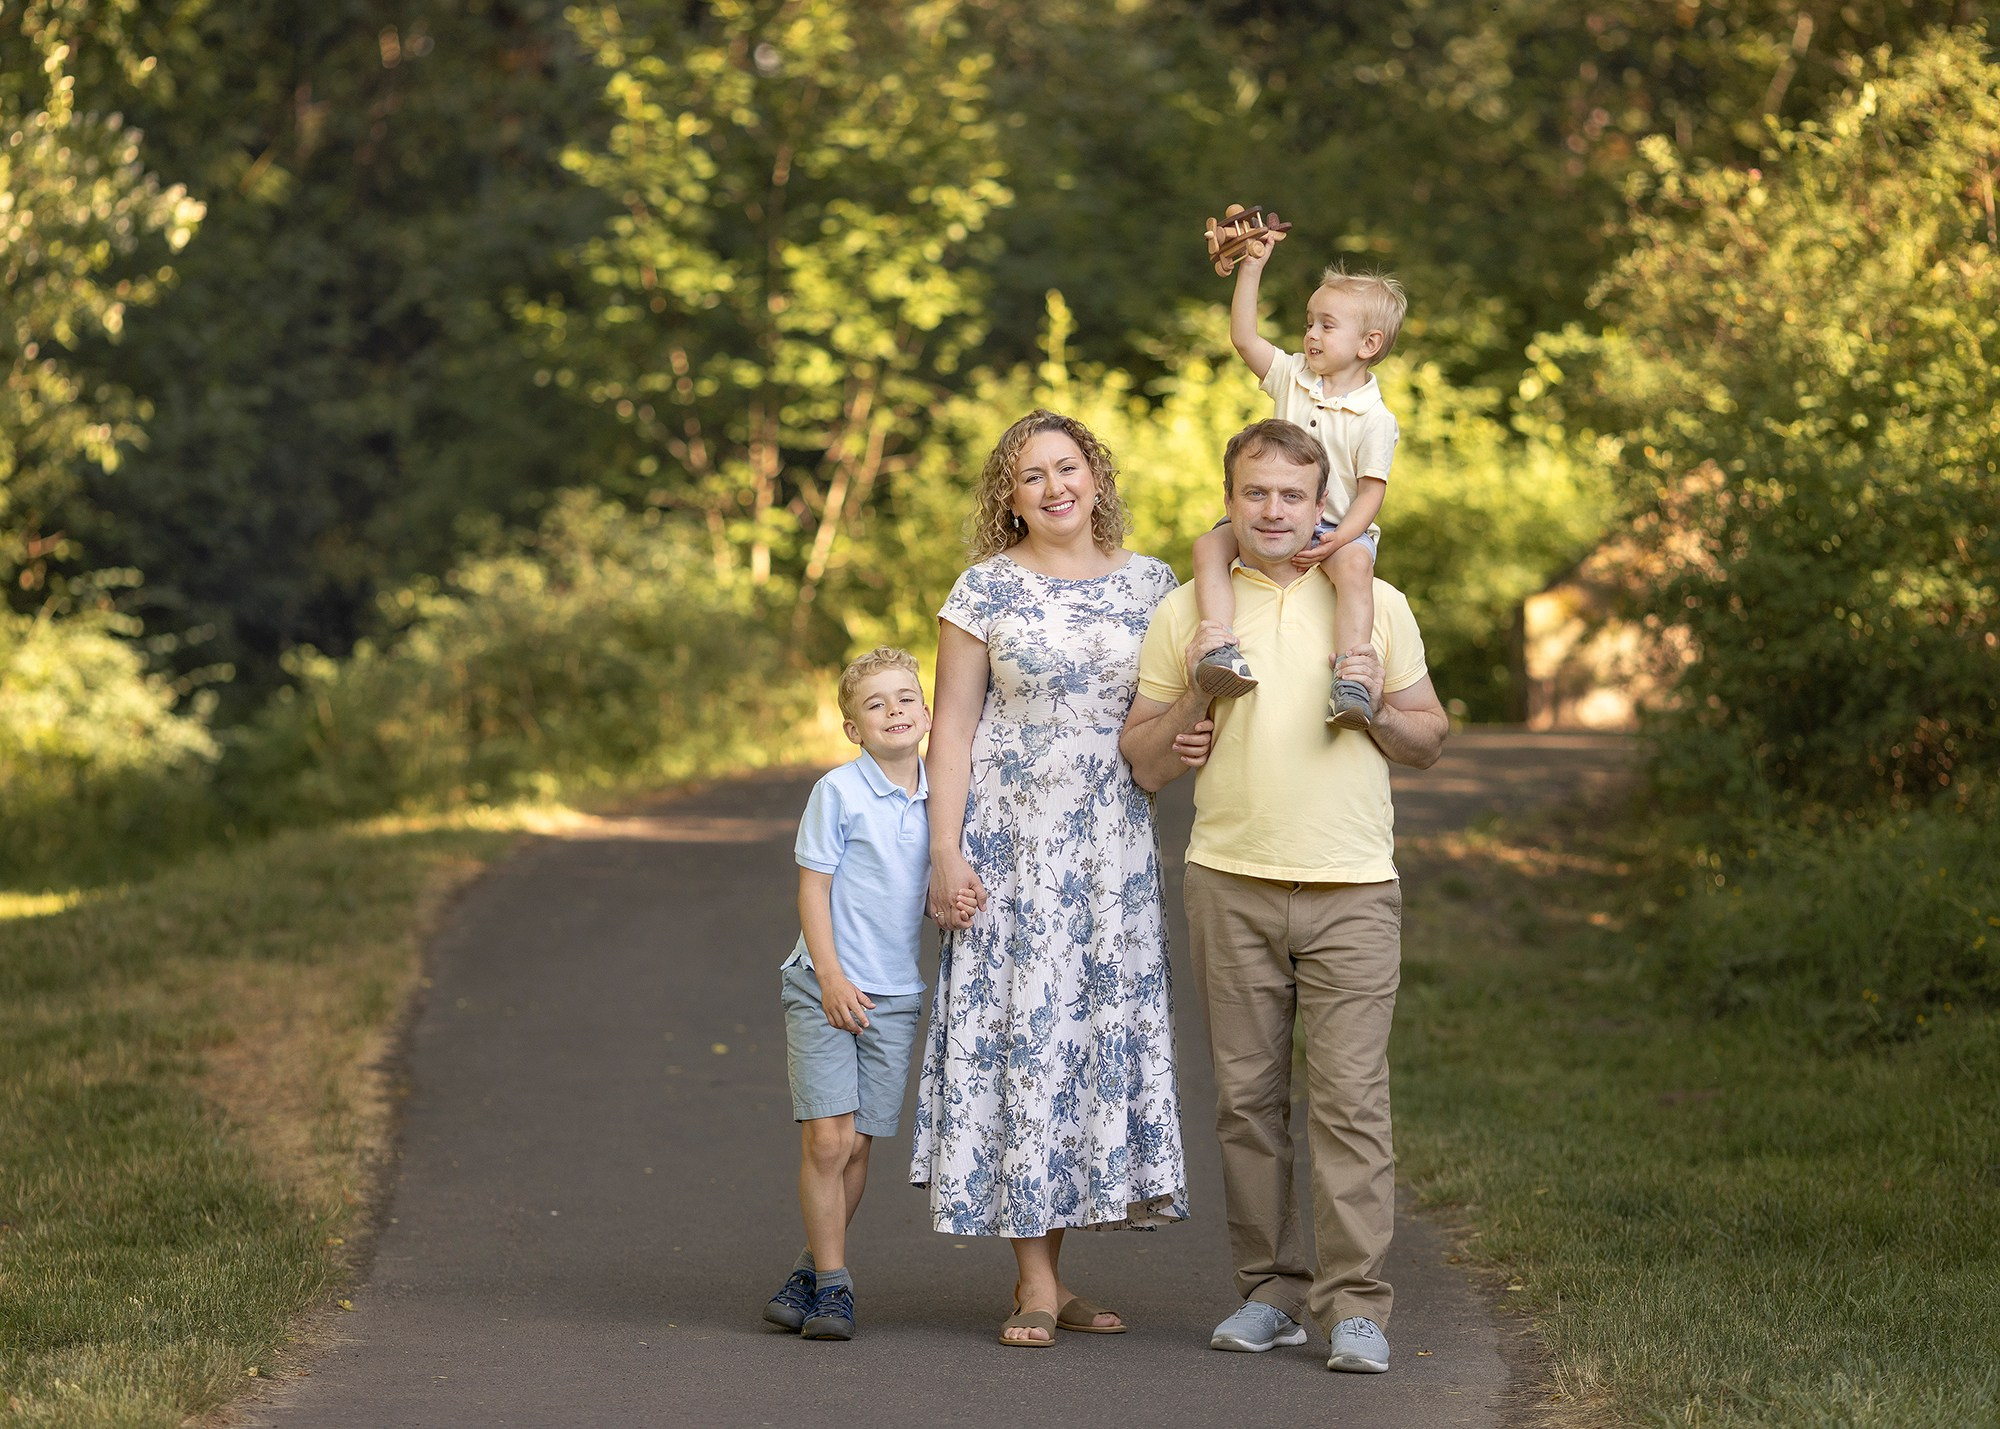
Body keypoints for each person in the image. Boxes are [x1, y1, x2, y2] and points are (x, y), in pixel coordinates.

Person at [1120, 418, 1449, 1374]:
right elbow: (1141, 759)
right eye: (1254, 493)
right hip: (1230, 879)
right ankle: (1269, 1293)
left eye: (1291, 495)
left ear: (1322, 506)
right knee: (1248, 1101)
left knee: (1350, 1102)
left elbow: (1431, 735)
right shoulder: (1189, 610)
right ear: (1231, 501)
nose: (1272, 510)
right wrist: (1191, 711)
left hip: (1353, 885)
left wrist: (1377, 708)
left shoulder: (1377, 602)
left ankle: (1357, 1308)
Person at [913, 409, 1188, 1349]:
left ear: (1097, 476)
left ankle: (1056, 1269)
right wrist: (946, 850)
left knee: (1080, 1042)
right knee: (1026, 1036)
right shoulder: (983, 589)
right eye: (1032, 476)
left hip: (1109, 853)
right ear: (1010, 498)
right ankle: (1034, 1279)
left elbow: (1184, 695)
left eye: (1067, 467)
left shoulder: (1157, 585)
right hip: (1011, 845)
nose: (1054, 486)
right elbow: (949, 728)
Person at [761, 647, 934, 1342]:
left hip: (895, 994)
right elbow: (814, 887)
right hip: (825, 981)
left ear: (926, 711)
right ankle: (836, 1287)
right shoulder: (838, 791)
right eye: (875, 703)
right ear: (852, 727)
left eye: (905, 697)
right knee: (828, 1139)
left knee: (858, 1147)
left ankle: (809, 1267)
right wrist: (831, 976)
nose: (894, 710)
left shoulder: (944, 792)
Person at [1190, 227, 1407, 731]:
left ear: (1368, 344)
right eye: (1309, 323)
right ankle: (1219, 647)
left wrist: (1337, 543)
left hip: (1336, 530)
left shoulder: (1375, 419)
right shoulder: (1292, 377)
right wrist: (1252, 267)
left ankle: (1351, 677)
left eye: (1326, 326)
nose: (1310, 335)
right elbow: (1244, 338)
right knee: (1208, 547)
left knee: (1355, 572)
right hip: (1271, 513)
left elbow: (1371, 493)